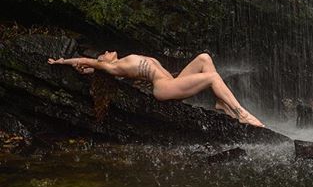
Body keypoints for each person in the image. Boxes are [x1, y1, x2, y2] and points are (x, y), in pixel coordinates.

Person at [47, 51, 265, 127]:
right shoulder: (111, 67)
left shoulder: (121, 62)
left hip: (172, 79)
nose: (105, 52)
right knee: (212, 77)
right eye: (101, 55)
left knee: (204, 58)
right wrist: (62, 61)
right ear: (102, 62)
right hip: (164, 88)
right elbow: (86, 61)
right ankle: (241, 113)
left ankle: (220, 102)